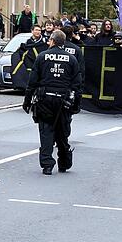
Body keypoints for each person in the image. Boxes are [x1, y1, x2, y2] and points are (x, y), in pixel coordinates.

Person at [23, 30, 82, 175]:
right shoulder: (72, 59)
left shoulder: (42, 56)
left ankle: (47, 164)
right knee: (62, 133)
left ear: (53, 41)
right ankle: (64, 162)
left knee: (46, 131)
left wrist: (27, 101)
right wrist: (76, 105)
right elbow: (77, 84)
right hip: (64, 100)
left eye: (49, 40)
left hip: (45, 99)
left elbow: (33, 81)